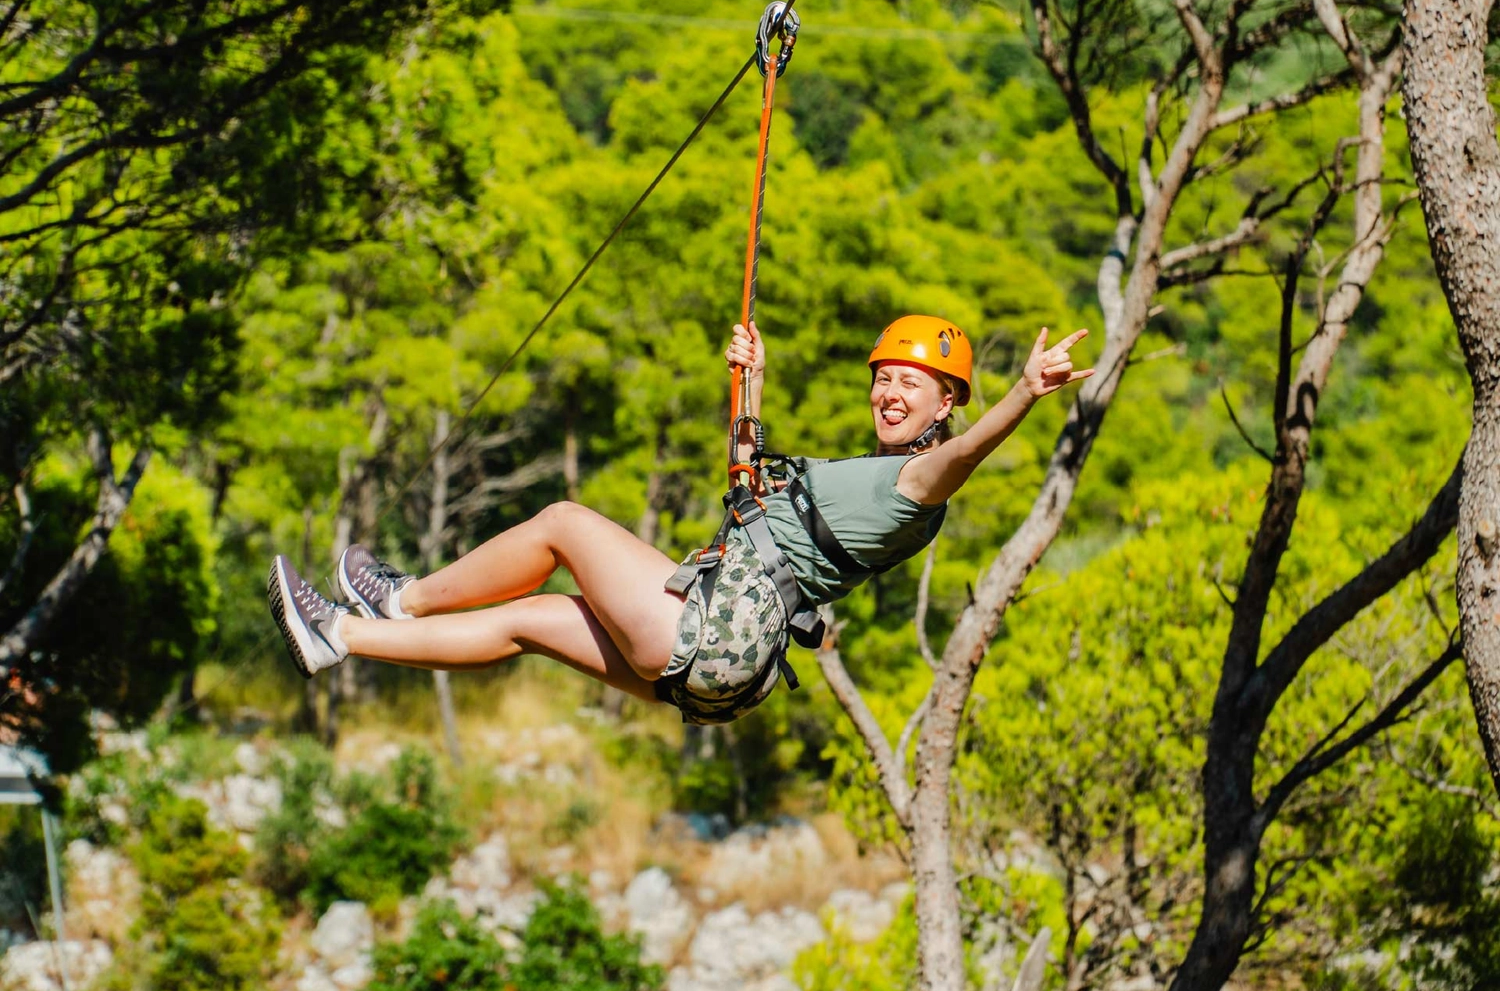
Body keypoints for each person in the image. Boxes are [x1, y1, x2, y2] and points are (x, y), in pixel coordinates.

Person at [268, 316, 1092, 724]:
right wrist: (753, 384)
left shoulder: (920, 482)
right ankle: (341, 637)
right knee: (527, 620)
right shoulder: (863, 479)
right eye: (883, 379)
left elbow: (972, 451)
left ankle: (401, 599)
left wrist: (1027, 391)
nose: (889, 393)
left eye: (910, 385)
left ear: (946, 402)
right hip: (726, 660)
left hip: (712, 632)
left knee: (562, 520)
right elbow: (748, 481)